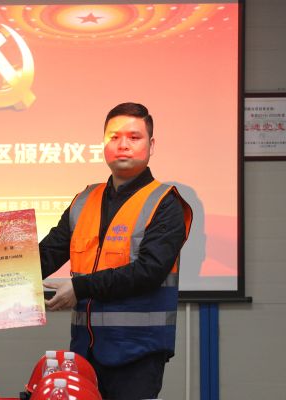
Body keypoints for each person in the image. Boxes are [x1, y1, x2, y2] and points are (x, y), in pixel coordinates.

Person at [40, 102, 193, 400]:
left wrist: (79, 287)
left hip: (138, 353)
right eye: (114, 137)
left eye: (134, 137)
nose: (123, 145)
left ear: (151, 145)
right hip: (84, 351)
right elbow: (47, 254)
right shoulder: (84, 200)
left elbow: (149, 271)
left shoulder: (165, 202)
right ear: (103, 143)